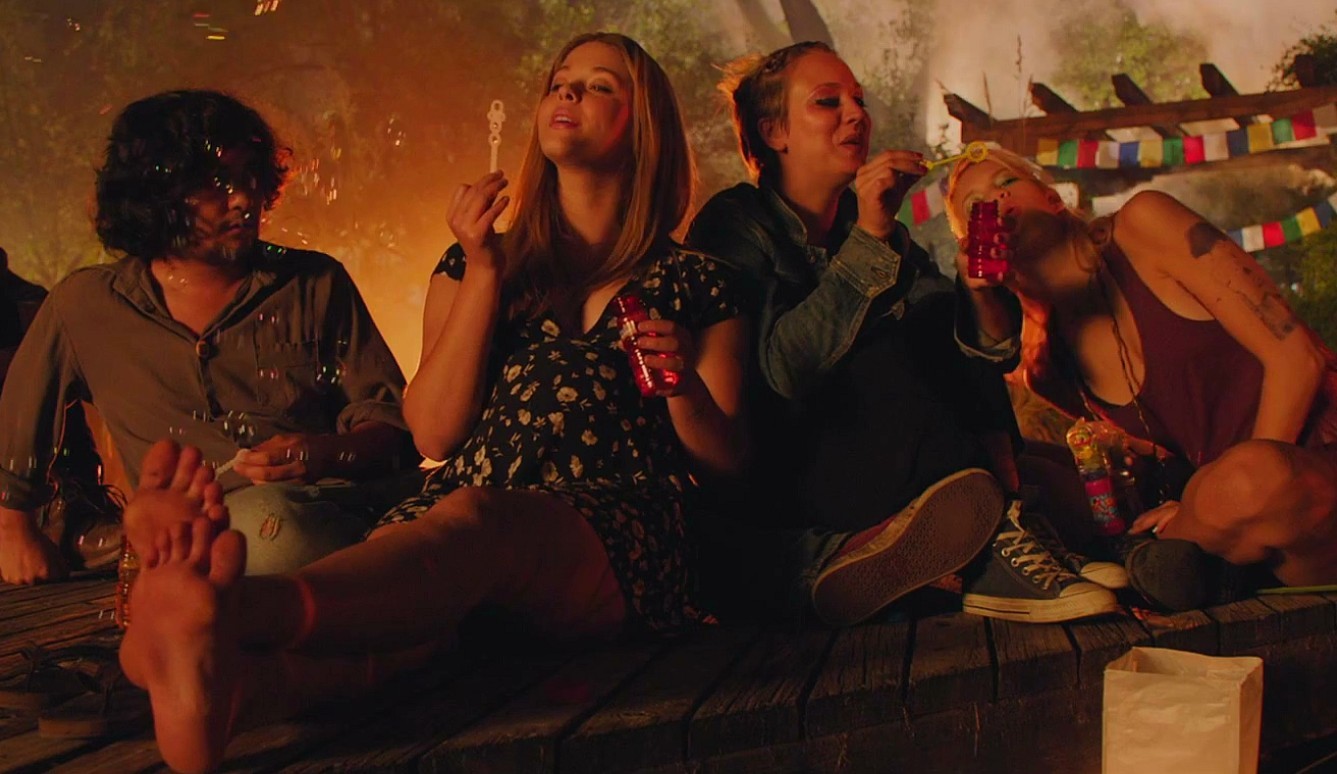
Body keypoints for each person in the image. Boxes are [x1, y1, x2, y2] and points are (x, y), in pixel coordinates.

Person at [119, 32, 747, 773]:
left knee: (480, 525)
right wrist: (483, 271)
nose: (568, 92)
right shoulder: (474, 261)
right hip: (455, 523)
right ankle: (216, 686)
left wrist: (681, 387)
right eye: (560, 80)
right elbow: (436, 434)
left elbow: (728, 464)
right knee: (403, 641)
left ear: (646, 128)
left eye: (601, 84)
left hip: (617, 527)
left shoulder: (695, 281)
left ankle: (235, 611)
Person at [685, 41, 1120, 627]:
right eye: (828, 102)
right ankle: (990, 554)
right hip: (790, 475)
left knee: (937, 312)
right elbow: (784, 372)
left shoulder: (868, 226)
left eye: (859, 101)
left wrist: (979, 290)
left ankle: (1004, 529)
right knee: (884, 344)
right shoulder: (736, 223)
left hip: (884, 461)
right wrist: (871, 235)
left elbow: (981, 352)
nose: (856, 115)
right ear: (775, 132)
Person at [0, 90, 418, 585]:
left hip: (341, 508)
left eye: (250, 177)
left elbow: (394, 430)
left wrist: (321, 453)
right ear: (156, 194)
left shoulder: (313, 283)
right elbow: (20, 424)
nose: (243, 200)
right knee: (267, 533)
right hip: (216, 537)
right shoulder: (87, 305)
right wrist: (14, 527)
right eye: (215, 184)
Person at [945, 146, 1337, 596]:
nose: (994, 201)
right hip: (1229, 516)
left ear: (1052, 199)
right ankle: (1181, 564)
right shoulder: (1046, 365)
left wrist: (1200, 503)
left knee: (1252, 478)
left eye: (1006, 182)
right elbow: (1171, 449)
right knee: (1018, 468)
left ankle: (1162, 567)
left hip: (1305, 474)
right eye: (974, 206)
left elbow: (1298, 358)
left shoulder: (1143, 226)